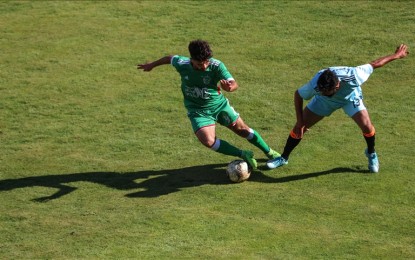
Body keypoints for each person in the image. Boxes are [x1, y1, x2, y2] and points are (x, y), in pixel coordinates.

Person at [137, 39, 280, 169]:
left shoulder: (216, 66)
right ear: (191, 59)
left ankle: (269, 151)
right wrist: (152, 65)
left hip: (219, 106)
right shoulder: (182, 64)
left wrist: (230, 87)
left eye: (206, 61)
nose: (204, 65)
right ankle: (243, 154)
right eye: (200, 63)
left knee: (243, 131)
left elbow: (233, 83)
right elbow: (169, 58)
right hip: (197, 110)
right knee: (208, 141)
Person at [267, 44, 409, 173]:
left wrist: (396, 55)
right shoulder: (317, 84)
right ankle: (283, 157)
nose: (324, 92)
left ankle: (371, 153)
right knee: (300, 128)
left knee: (367, 126)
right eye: (322, 91)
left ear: (337, 86)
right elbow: (298, 95)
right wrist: (299, 121)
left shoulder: (354, 75)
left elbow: (375, 64)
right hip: (324, 103)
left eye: (327, 92)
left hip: (350, 99)